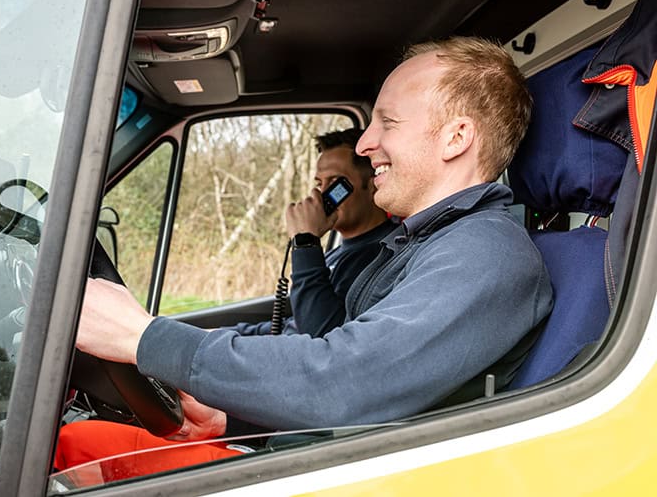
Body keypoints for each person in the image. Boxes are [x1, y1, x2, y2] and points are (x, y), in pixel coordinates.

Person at [55, 36, 554, 479]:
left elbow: (346, 381)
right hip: (314, 454)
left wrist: (139, 336)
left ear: (456, 138)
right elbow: (342, 360)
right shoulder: (420, 243)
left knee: (69, 446)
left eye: (388, 122)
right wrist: (233, 418)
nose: (366, 143)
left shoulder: (485, 252)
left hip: (344, 475)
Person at [232, 128, 397, 338]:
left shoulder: (383, 256)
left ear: (373, 184)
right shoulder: (337, 253)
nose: (322, 195)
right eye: (320, 183)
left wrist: (305, 242)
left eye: (336, 182)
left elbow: (323, 340)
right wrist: (233, 334)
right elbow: (294, 325)